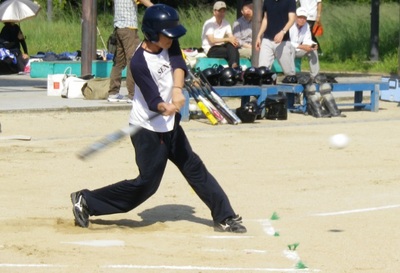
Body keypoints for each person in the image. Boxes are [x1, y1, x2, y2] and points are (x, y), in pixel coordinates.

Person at [70, 4, 247, 234]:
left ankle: (225, 217)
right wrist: (165, 106)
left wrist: (177, 90)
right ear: (153, 34)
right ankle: (86, 201)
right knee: (146, 185)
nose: (172, 39)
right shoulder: (139, 62)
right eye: (167, 35)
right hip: (147, 130)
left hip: (170, 126)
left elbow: (178, 64)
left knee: (194, 167)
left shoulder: (169, 43)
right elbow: (154, 100)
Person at [107, 0, 153, 103]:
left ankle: (113, 93)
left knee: (119, 61)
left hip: (118, 27)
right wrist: (153, 6)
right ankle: (133, 94)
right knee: (133, 59)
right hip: (129, 28)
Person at [255, 0, 297, 78]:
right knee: (262, 70)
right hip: (267, 39)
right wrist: (259, 35)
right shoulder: (267, 1)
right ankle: (264, 88)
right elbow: (265, 18)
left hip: (283, 40)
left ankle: (293, 86)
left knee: (289, 72)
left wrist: (283, 32)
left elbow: (292, 19)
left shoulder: (290, 1)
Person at [201, 1, 240, 68]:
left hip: (221, 46)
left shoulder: (226, 23)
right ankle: (234, 67)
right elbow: (212, 40)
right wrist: (228, 39)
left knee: (232, 46)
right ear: (214, 12)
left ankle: (234, 65)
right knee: (231, 51)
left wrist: (234, 41)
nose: (221, 13)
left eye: (223, 11)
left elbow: (231, 36)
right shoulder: (209, 23)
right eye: (219, 11)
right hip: (211, 49)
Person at [289, 7, 319, 79]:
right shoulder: (290, 24)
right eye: (300, 17)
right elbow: (288, 42)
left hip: (298, 50)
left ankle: (315, 76)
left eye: (304, 18)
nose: (302, 20)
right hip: (287, 51)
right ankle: (291, 76)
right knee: (291, 48)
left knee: (313, 50)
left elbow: (307, 40)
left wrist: (313, 45)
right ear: (295, 17)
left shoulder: (307, 26)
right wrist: (302, 47)